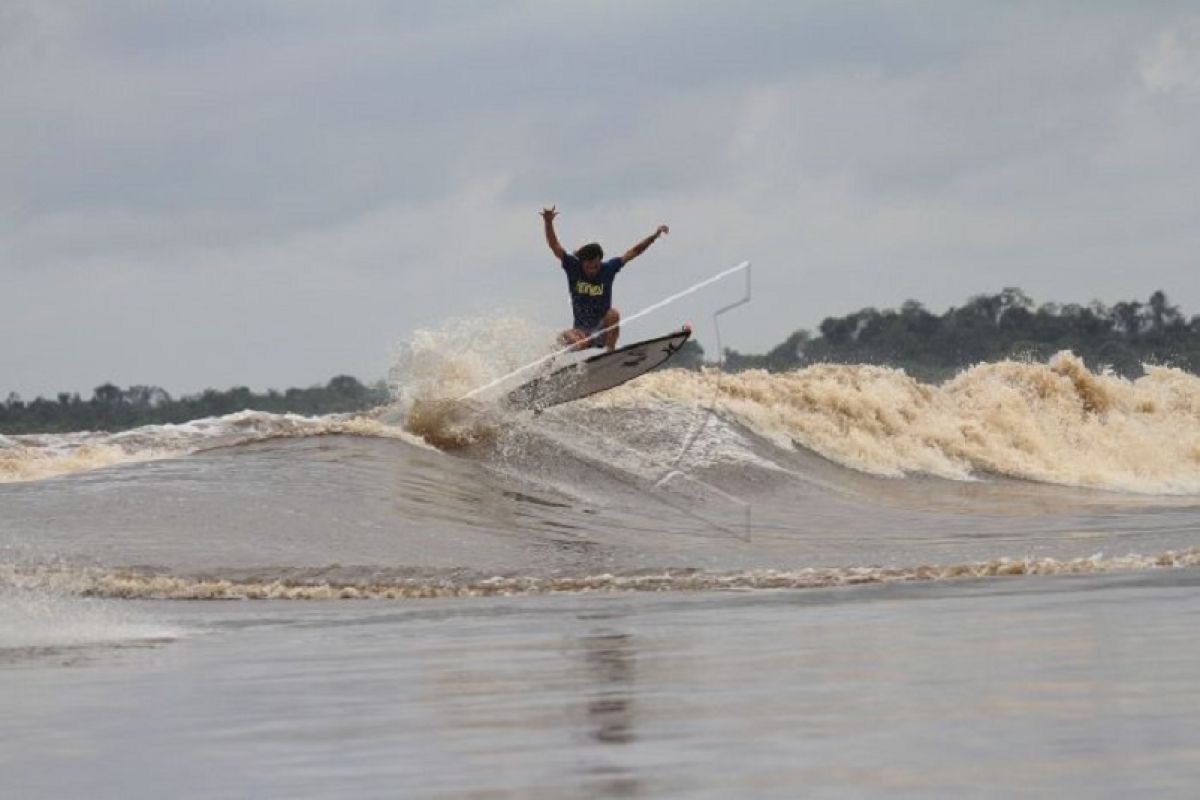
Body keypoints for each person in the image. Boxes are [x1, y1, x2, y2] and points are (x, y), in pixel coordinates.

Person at [541, 206, 669, 352]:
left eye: (596, 266)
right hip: (581, 333)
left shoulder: (608, 268)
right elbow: (554, 245)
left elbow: (634, 251)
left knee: (613, 314)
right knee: (565, 338)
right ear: (582, 262)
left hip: (603, 331)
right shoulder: (573, 267)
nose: (592, 270)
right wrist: (548, 222)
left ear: (600, 261)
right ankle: (547, 367)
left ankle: (610, 352)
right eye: (588, 266)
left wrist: (654, 236)